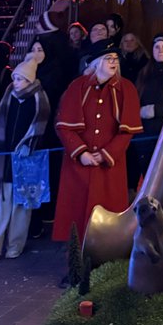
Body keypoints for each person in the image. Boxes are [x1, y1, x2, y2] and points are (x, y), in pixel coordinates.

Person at [52, 51, 142, 241]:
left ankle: (105, 259)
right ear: (95, 62)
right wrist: (81, 152)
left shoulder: (126, 89)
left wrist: (107, 154)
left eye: (116, 59)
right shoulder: (77, 87)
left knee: (107, 213)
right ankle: (77, 260)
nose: (114, 63)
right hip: (78, 166)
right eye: (108, 58)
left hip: (109, 166)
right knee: (76, 213)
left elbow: (127, 131)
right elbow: (64, 126)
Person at [0, 53, 50, 265]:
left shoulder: (39, 99)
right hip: (5, 160)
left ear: (29, 80)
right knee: (1, 205)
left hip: (27, 163)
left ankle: (15, 245)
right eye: (15, 78)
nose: (15, 82)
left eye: (20, 79)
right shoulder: (8, 96)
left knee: (22, 206)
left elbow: (42, 129)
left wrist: (31, 145)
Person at [135, 36, 163, 140]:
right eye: (157, 47)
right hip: (146, 132)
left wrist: (156, 110)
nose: (160, 50)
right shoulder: (144, 72)